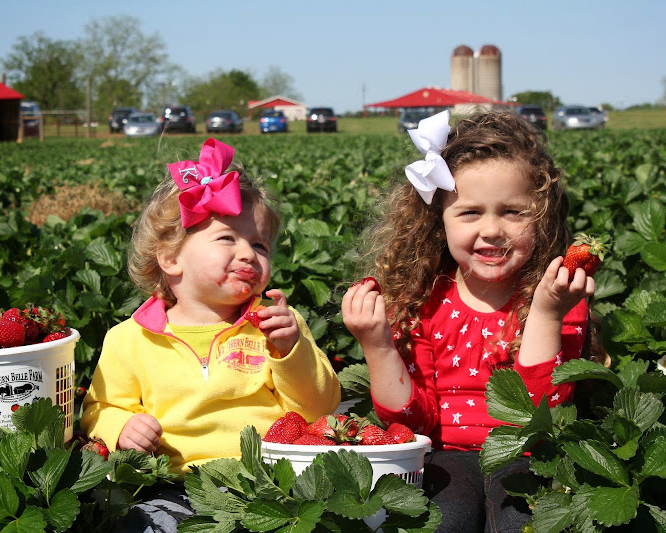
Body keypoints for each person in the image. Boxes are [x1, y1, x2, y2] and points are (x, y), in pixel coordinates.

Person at [341, 110, 605, 533]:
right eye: (469, 213)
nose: (492, 230)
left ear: (542, 216)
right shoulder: (422, 301)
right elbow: (412, 423)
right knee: (445, 520)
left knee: (522, 520)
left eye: (514, 212)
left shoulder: (558, 297)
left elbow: (538, 420)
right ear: (438, 220)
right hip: (446, 456)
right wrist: (377, 346)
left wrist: (545, 313)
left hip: (529, 454)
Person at [82, 138, 341, 532]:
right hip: (170, 483)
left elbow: (318, 408)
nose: (249, 255)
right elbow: (98, 406)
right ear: (170, 258)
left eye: (260, 245)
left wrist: (291, 350)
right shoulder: (130, 339)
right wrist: (120, 429)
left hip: (270, 481)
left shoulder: (276, 325)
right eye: (227, 239)